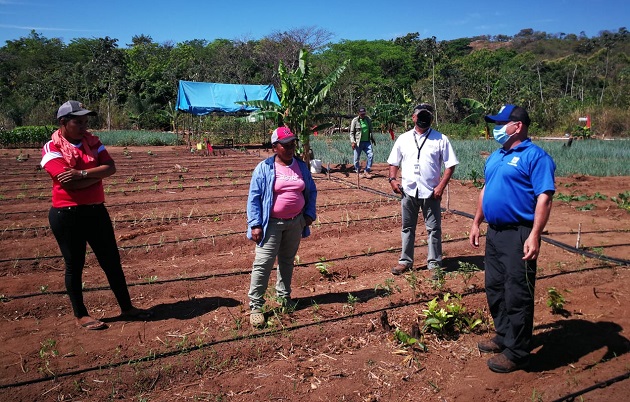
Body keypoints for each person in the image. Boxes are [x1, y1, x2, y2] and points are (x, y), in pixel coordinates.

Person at [41, 100, 152, 330]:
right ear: (63, 123)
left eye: (85, 122)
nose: (84, 127)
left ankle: (127, 308)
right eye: (78, 122)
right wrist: (95, 176)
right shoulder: (51, 147)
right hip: (66, 214)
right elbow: (68, 185)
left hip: (95, 210)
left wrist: (81, 173)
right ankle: (81, 315)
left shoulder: (92, 141)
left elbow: (110, 167)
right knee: (75, 264)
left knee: (111, 261)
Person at [469, 104, 556, 373]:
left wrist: (535, 235)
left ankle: (518, 352)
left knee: (517, 292)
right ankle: (505, 336)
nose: (496, 128)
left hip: (519, 233)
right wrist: (476, 222)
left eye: (501, 123)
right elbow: (486, 189)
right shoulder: (496, 156)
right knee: (495, 287)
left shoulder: (535, 157)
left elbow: (545, 196)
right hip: (495, 233)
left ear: (517, 126)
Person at [246, 126, 317, 328]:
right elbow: (254, 198)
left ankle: (284, 298)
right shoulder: (264, 168)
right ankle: (256, 306)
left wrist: (309, 215)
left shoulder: (301, 167)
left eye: (292, 144)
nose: (290, 148)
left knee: (287, 261)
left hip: (295, 222)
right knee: (263, 263)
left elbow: (311, 191)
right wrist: (255, 224)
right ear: (275, 147)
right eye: (285, 145)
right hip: (272, 224)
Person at [388, 103, 458, 275]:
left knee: (433, 229)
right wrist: (392, 180)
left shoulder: (441, 139)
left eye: (427, 116)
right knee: (407, 227)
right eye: (420, 115)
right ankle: (405, 261)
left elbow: (450, 166)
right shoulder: (403, 139)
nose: (423, 119)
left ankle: (434, 263)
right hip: (408, 191)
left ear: (431, 118)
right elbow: (393, 162)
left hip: (432, 192)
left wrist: (441, 186)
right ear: (414, 117)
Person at [349, 107, 375, 178]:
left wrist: (372, 138)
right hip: (358, 142)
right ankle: (358, 171)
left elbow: (371, 130)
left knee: (371, 155)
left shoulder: (368, 120)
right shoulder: (355, 121)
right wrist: (353, 142)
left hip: (367, 142)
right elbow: (351, 133)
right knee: (356, 158)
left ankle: (367, 170)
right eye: (361, 114)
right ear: (359, 113)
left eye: (364, 113)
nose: (363, 115)